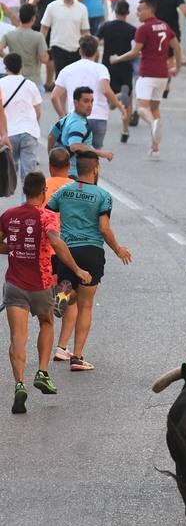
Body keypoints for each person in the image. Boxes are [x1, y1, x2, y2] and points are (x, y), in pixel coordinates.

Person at [0, 170, 92, 413]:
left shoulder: (8, 215)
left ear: (24, 191)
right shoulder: (46, 216)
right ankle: (42, 372)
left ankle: (19, 384)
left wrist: (15, 248)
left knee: (17, 339)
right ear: (43, 192)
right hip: (41, 285)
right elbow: (55, 241)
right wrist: (77, 268)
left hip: (14, 285)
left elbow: (0, 242)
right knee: (47, 322)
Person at [46, 152, 132, 372]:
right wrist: (118, 249)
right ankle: (77, 357)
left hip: (66, 251)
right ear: (96, 170)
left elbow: (47, 215)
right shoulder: (103, 195)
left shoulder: (64, 191)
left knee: (71, 294)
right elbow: (103, 228)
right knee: (86, 305)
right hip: (91, 251)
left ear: (77, 169)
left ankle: (64, 293)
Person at [109, 0, 181, 160]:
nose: (137, 12)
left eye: (140, 10)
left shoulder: (143, 29)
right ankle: (155, 148)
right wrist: (178, 67)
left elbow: (134, 52)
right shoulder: (164, 25)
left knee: (142, 109)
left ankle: (153, 124)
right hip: (163, 75)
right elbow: (176, 47)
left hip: (148, 74)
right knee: (155, 109)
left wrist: (117, 59)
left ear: (149, 10)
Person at [51, 34, 124, 149]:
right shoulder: (101, 69)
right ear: (96, 52)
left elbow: (54, 97)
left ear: (80, 51)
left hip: (75, 117)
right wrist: (120, 107)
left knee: (75, 153)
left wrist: (62, 116)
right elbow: (106, 90)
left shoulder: (67, 70)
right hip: (98, 117)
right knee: (94, 156)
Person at [48, 86, 114, 178]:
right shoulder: (78, 124)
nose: (90, 105)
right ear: (76, 103)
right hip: (75, 176)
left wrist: (52, 159)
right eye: (86, 101)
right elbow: (75, 146)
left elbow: (51, 136)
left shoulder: (68, 117)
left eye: (92, 101)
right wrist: (101, 153)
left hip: (63, 173)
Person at [97, 0, 136, 142]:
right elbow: (137, 49)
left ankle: (118, 95)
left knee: (110, 101)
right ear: (127, 13)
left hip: (108, 67)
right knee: (128, 101)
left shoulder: (105, 26)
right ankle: (125, 130)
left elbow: (95, 42)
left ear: (114, 11)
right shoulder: (132, 29)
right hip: (125, 66)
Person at [0, 52, 42, 182]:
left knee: (7, 175)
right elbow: (37, 111)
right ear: (21, 67)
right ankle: (28, 202)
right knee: (28, 176)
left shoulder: (1, 83)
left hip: (8, 134)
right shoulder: (30, 84)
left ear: (6, 67)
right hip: (28, 132)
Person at [40, 0, 90, 75]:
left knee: (75, 79)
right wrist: (41, 48)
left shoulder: (82, 8)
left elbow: (85, 32)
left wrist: (88, 50)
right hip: (58, 48)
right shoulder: (52, 6)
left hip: (76, 50)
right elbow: (44, 28)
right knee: (60, 78)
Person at [0, 3, 52, 89]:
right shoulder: (38, 36)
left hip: (14, 79)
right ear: (33, 18)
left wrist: (8, 57)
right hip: (33, 80)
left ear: (20, 17)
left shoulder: (9, 34)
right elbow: (44, 59)